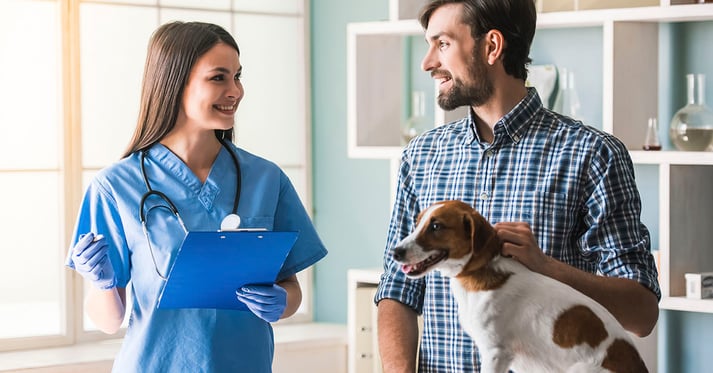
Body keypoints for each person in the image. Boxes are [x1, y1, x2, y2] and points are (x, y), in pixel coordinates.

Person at [374, 0, 660, 372]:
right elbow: (398, 291)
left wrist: (545, 266)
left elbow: (641, 313)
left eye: (442, 44)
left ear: (492, 46)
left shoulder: (592, 154)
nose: (427, 63)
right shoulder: (422, 155)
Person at [65, 21, 327, 372]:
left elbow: (291, 290)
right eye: (219, 77)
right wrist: (102, 282)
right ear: (175, 83)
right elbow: (110, 320)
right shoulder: (116, 186)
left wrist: (281, 302)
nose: (236, 90)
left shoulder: (265, 179)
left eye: (238, 76)